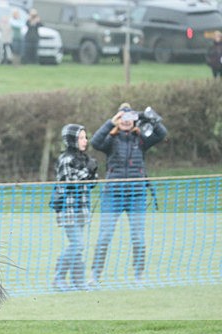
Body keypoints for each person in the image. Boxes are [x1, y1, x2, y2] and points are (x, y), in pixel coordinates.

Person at [88, 102, 167, 286]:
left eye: (129, 119)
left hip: (136, 195)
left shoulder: (141, 139)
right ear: (117, 120)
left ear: (134, 121)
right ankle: (94, 275)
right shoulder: (110, 140)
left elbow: (162, 133)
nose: (126, 122)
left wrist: (144, 116)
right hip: (113, 195)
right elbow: (95, 142)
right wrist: (110, 122)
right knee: (104, 236)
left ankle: (139, 276)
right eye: (122, 118)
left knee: (138, 237)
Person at [50, 124, 98, 291]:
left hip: (82, 208)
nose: (85, 141)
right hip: (68, 209)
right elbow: (70, 184)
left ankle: (78, 281)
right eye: (81, 138)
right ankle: (59, 278)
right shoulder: (66, 159)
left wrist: (92, 172)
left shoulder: (84, 158)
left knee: (79, 247)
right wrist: (88, 172)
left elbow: (91, 184)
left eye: (85, 137)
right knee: (77, 244)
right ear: (71, 141)